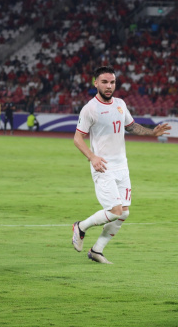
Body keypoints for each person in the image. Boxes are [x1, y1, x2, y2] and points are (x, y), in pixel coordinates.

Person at [71, 66, 171, 264]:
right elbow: (77, 138)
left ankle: (97, 250)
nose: (109, 86)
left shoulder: (120, 104)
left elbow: (131, 126)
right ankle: (80, 227)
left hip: (122, 166)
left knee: (124, 212)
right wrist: (92, 157)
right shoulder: (90, 109)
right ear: (96, 83)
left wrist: (152, 132)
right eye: (105, 82)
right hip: (103, 166)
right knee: (115, 211)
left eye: (112, 82)